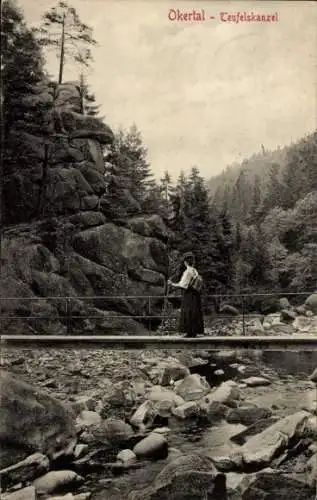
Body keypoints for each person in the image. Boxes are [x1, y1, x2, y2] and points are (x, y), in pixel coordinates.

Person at [168, 252, 204, 337]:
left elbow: (183, 285)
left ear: (185, 262)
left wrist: (171, 284)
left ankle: (189, 332)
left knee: (188, 312)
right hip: (195, 295)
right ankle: (194, 331)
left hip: (189, 294)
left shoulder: (187, 271)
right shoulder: (195, 270)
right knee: (194, 312)